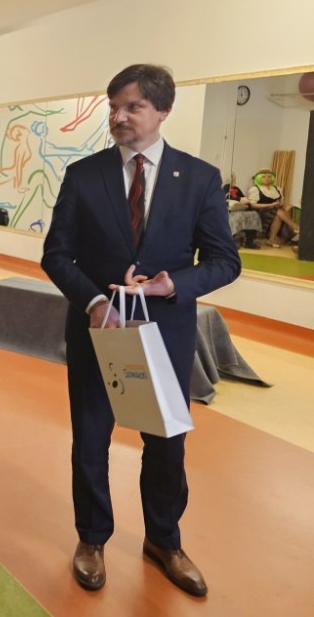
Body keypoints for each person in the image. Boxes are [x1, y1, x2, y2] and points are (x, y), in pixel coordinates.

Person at [42, 64, 240, 597]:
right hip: (98, 331)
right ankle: (92, 539)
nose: (119, 117)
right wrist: (94, 301)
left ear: (163, 111)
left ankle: (164, 541)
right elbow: (56, 254)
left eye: (133, 107)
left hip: (165, 333)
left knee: (166, 444)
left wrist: (173, 284)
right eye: (114, 107)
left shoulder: (198, 178)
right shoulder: (84, 175)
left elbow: (225, 261)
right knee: (90, 440)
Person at [246, 168, 300, 248]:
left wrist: (281, 204)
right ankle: (296, 227)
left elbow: (281, 202)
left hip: (274, 211)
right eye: (264, 177)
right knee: (277, 211)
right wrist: (270, 205)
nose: (267, 178)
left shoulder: (277, 188)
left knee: (277, 214)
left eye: (269, 176)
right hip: (259, 211)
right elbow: (253, 205)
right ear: (259, 178)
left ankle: (271, 239)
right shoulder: (255, 189)